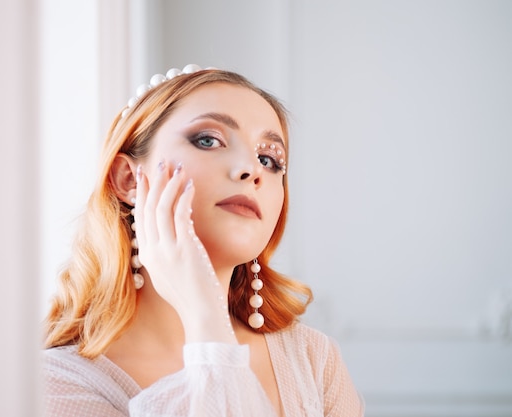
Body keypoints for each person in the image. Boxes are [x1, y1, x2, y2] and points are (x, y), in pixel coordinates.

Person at [42, 64, 364, 417]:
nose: (252, 169)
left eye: (270, 159)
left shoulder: (314, 361)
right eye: (207, 140)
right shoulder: (55, 383)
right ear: (129, 179)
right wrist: (205, 318)